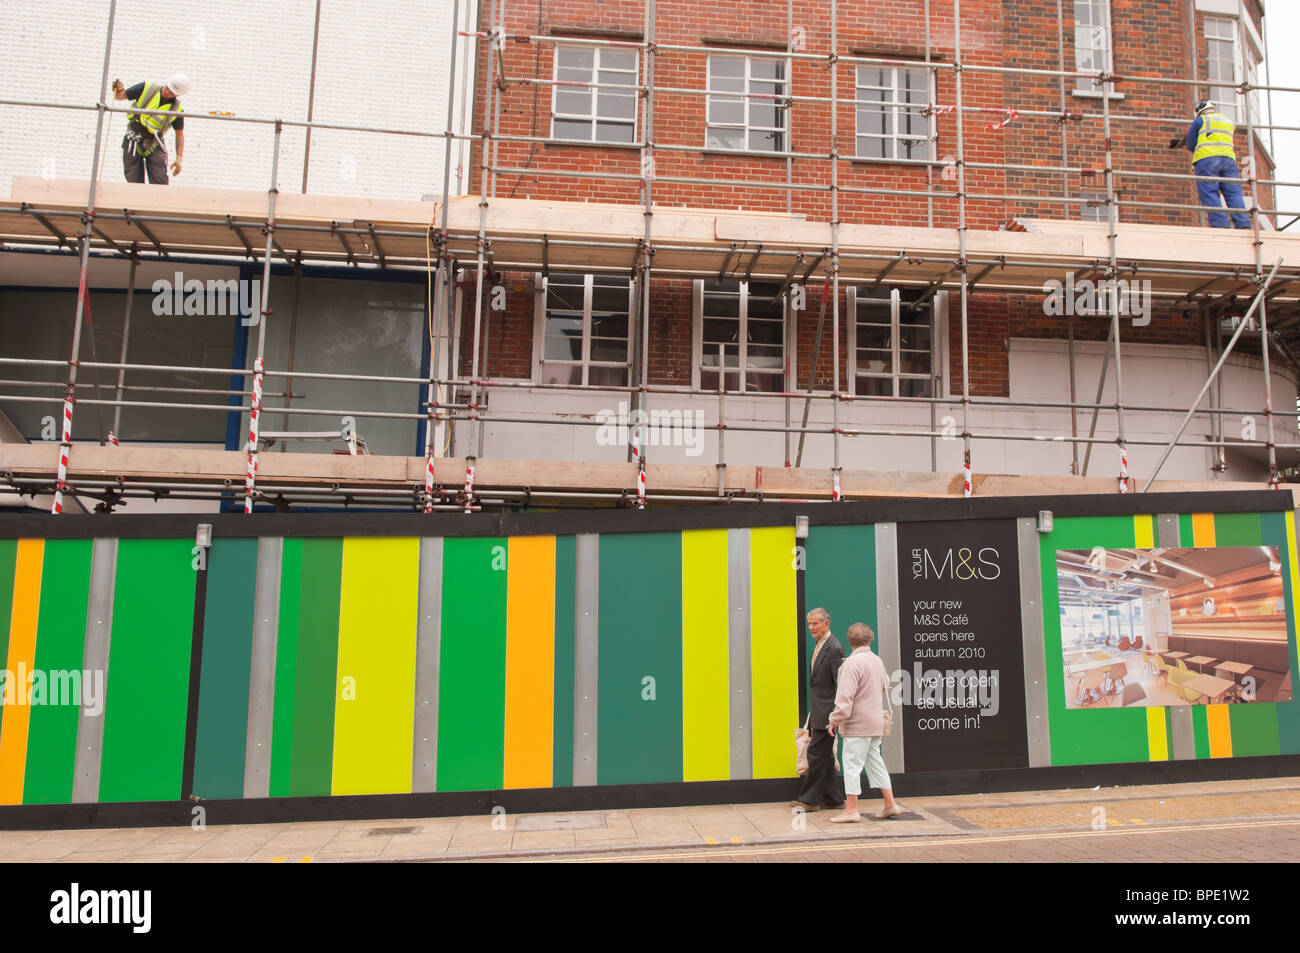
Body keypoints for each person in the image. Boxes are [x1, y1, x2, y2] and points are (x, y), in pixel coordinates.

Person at [827, 622, 901, 822]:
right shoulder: (877, 661)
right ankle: (890, 804)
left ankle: (851, 810)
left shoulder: (851, 664)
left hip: (857, 725)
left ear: (850, 641)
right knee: (876, 762)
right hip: (876, 722)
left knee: (851, 765)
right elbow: (885, 685)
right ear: (869, 639)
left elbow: (844, 700)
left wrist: (834, 720)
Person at [790, 607, 845, 812]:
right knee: (825, 756)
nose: (811, 627)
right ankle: (833, 798)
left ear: (827, 623)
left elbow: (840, 684)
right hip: (820, 711)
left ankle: (810, 800)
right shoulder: (821, 644)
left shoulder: (834, 648)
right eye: (810, 623)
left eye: (815, 623)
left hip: (827, 713)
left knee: (815, 753)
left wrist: (834, 716)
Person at [1169, 100, 1250, 229]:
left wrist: (1183, 143)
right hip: (1228, 160)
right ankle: (1243, 223)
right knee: (1233, 192)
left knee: (1209, 192)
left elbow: (1191, 144)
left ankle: (1220, 225)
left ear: (1199, 112)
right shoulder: (1228, 121)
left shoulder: (1200, 121)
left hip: (1207, 160)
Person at [113, 73, 190, 184]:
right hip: (134, 137)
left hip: (154, 141)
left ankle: (158, 200)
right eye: (167, 87)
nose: (167, 91)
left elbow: (179, 134)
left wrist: (179, 159)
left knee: (160, 180)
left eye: (171, 92)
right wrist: (118, 89)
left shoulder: (177, 109)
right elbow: (120, 96)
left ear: (177, 95)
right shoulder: (145, 88)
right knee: (134, 181)